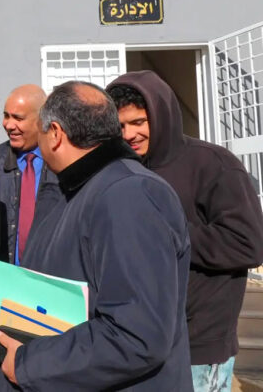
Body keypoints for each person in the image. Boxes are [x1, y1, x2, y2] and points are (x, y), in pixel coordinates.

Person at [0, 81, 192, 390]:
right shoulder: (77, 189)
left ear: (56, 134)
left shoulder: (129, 194)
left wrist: (29, 364)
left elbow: (135, 335)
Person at [107, 70, 263, 392]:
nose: (130, 134)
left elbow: (248, 244)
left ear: (161, 116)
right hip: (136, 337)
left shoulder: (213, 164)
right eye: (121, 126)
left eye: (139, 122)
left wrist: (169, 232)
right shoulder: (117, 169)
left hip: (198, 345)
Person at [0, 85, 61, 265]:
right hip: (4, 278)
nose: (8, 125)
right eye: (6, 115)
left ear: (41, 120)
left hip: (49, 278)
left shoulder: (62, 163)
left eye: (18, 118)